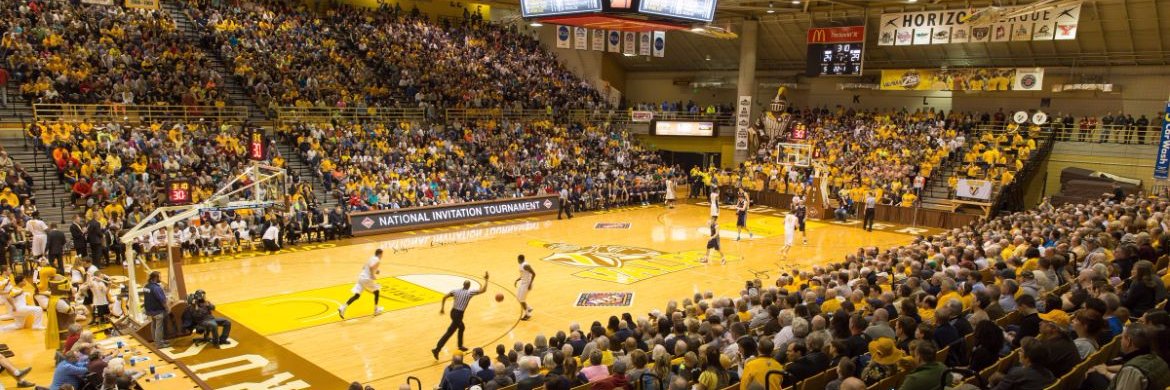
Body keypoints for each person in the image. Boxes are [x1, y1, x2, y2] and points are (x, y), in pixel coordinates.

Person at [1090, 324, 1170, 390]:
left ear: (1128, 341)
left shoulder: (1132, 370)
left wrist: (1105, 372)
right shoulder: (1157, 358)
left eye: (1122, 338)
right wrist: (1107, 368)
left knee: (1093, 376)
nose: (1121, 341)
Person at [433, 272, 489, 359]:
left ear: (463, 285)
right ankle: (438, 349)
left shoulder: (455, 291)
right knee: (452, 331)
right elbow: (483, 290)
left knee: (457, 329)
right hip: (458, 314)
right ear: (469, 286)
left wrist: (442, 308)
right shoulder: (469, 293)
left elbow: (444, 297)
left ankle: (456, 346)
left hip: (453, 312)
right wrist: (486, 280)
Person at [339, 249, 384, 319]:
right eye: (382, 254)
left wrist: (376, 271)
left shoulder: (371, 258)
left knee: (357, 295)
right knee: (377, 291)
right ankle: (376, 310)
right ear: (380, 254)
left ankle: (343, 307)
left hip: (361, 277)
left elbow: (364, 267)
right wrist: (373, 275)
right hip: (367, 279)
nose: (382, 256)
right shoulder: (378, 260)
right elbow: (371, 267)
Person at [144, 271, 169, 348]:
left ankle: (157, 340)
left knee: (153, 325)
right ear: (155, 278)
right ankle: (159, 344)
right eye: (159, 277)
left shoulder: (146, 286)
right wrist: (167, 308)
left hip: (149, 310)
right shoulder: (156, 288)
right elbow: (162, 300)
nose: (160, 279)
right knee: (159, 327)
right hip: (157, 311)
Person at [515, 254, 536, 321]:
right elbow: (524, 274)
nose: (517, 261)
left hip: (527, 284)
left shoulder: (526, 265)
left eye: (517, 259)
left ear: (520, 259)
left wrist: (530, 284)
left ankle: (527, 314)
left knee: (522, 300)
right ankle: (529, 308)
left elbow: (534, 273)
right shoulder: (520, 264)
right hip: (522, 283)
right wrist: (518, 279)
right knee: (518, 297)